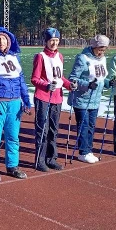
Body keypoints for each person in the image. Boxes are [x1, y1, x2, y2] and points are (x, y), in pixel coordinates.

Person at [0, 27, 32, 182]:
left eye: (4, 39)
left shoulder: (15, 58)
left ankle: (12, 166)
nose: (1, 41)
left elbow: (21, 80)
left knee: (13, 137)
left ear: (9, 41)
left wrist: (26, 100)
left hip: (15, 103)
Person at [31, 28, 75, 171]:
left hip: (57, 98)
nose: (54, 43)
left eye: (56, 40)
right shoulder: (40, 56)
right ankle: (40, 161)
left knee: (53, 130)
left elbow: (60, 77)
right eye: (51, 40)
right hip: (43, 97)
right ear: (46, 41)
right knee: (42, 130)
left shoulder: (59, 56)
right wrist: (46, 85)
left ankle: (51, 158)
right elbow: (34, 79)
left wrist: (69, 85)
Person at [67, 35, 111, 163]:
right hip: (82, 99)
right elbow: (72, 79)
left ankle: (89, 150)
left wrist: (108, 82)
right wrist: (87, 84)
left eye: (104, 50)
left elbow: (101, 78)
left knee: (91, 126)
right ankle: (83, 152)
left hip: (95, 99)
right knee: (83, 126)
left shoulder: (102, 59)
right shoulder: (82, 58)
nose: (101, 52)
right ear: (94, 46)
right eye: (100, 49)